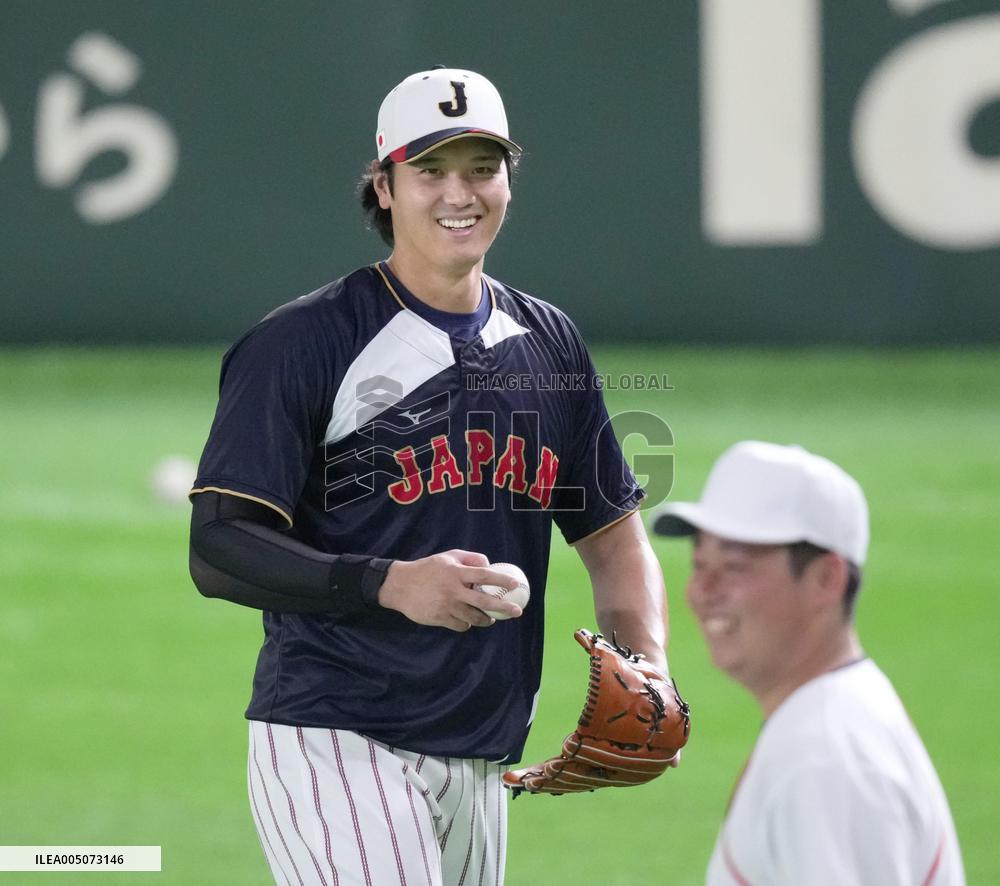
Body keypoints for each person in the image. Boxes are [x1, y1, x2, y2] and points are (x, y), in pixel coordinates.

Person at [188, 66, 673, 885]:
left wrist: (648, 664)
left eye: (482, 168)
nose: (461, 192)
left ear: (509, 182)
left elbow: (614, 538)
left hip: (480, 751)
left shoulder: (549, 343)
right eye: (430, 170)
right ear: (383, 186)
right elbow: (219, 548)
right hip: (334, 736)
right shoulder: (305, 342)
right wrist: (388, 583)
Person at [653, 440, 965, 885]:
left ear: (826, 579)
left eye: (735, 567)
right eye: (699, 563)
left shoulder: (826, 759)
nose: (703, 591)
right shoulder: (833, 719)